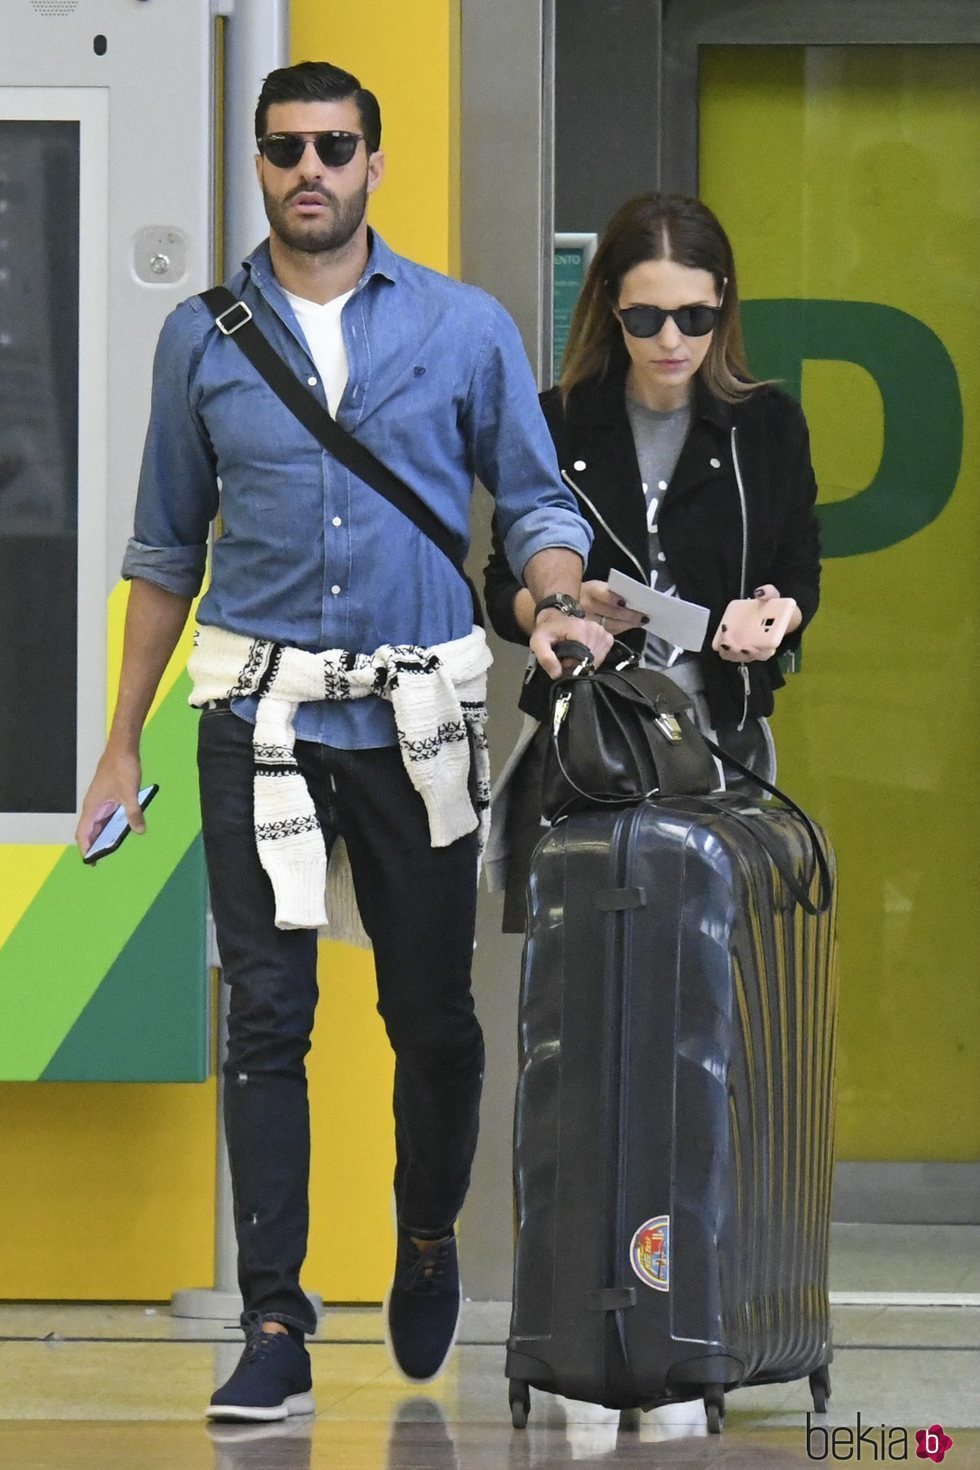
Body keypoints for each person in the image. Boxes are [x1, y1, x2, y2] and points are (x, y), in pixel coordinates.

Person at [74, 60, 610, 1420]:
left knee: (431, 1018)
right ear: (258, 166)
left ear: (373, 162)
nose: (307, 169)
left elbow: (537, 504)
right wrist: (118, 742)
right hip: (255, 714)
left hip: (420, 719)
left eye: (333, 146)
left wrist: (554, 603)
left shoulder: (465, 327)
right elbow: (159, 553)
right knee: (267, 1015)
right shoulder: (202, 337)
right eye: (282, 149)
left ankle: (425, 1233)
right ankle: (274, 1317)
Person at [483, 192, 821, 931]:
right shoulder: (557, 421)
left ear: (723, 304)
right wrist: (556, 610)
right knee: (583, 988)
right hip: (588, 740)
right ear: (610, 305)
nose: (672, 339)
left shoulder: (764, 428)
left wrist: (777, 616)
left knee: (707, 990)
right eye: (646, 318)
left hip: (718, 739)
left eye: (694, 317)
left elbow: (800, 571)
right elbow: (501, 583)